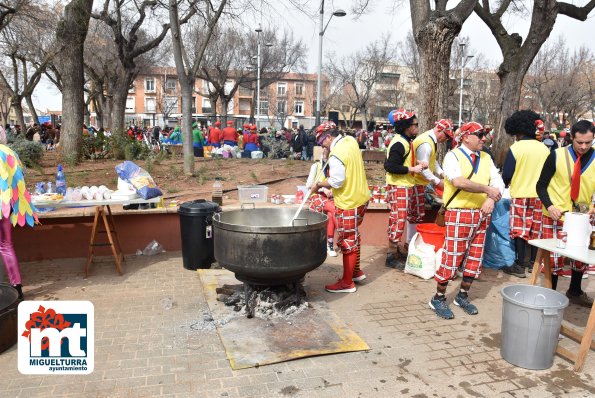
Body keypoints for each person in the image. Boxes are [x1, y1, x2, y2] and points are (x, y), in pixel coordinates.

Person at [429, 122, 504, 319]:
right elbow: (458, 181)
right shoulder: (453, 156)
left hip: (480, 212)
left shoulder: (486, 157)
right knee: (452, 256)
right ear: (465, 137)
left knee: (475, 257)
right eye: (479, 135)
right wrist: (488, 190)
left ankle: (462, 295)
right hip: (459, 212)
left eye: (484, 135)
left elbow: (498, 182)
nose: (483, 139)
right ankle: (438, 297)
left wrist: (490, 199)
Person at [536, 120, 594, 307]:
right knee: (553, 259)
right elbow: (541, 186)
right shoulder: (556, 155)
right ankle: (551, 296)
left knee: (580, 257)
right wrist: (550, 206)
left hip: (581, 217)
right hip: (555, 215)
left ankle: (575, 290)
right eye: (580, 142)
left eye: (589, 142)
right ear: (571, 138)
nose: (584, 147)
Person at [312, 121, 369, 293]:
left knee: (347, 241)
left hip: (348, 202)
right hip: (362, 197)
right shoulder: (350, 141)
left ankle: (347, 283)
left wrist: (319, 185)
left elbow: (337, 181)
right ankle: (356, 272)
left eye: (322, 141)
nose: (322, 145)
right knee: (355, 237)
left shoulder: (336, 155)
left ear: (329, 137)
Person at [501, 110, 550, 278]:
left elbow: (507, 174)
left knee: (519, 230)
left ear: (517, 130)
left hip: (520, 193)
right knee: (536, 229)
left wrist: (505, 184)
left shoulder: (516, 148)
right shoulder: (544, 149)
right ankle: (533, 264)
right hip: (540, 196)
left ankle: (520, 264)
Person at [384, 109, 425, 269]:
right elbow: (390, 166)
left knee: (400, 218)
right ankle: (390, 255)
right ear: (407, 126)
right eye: (415, 124)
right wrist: (412, 170)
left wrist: (416, 166)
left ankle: (394, 251)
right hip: (398, 185)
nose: (417, 127)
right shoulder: (400, 143)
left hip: (404, 185)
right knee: (398, 219)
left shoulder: (406, 141)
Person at [0, 128, 39, 300]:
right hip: (6, 206)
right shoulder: (10, 154)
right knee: (6, 246)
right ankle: (17, 288)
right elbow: (19, 182)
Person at [411, 118, 454, 240]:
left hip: (421, 182)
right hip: (417, 182)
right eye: (446, 135)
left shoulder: (430, 141)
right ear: (439, 130)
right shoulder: (426, 144)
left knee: (418, 214)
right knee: (416, 215)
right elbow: (423, 168)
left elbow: (431, 160)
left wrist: (441, 172)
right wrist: (437, 181)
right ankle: (410, 241)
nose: (446, 139)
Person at [306, 146, 338, 257]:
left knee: (330, 214)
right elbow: (308, 185)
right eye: (325, 155)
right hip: (316, 197)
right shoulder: (316, 166)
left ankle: (329, 244)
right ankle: (343, 237)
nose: (327, 158)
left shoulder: (334, 169)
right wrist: (322, 188)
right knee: (334, 209)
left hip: (329, 198)